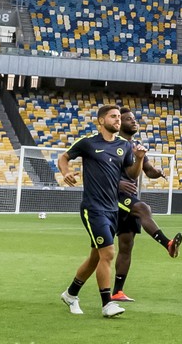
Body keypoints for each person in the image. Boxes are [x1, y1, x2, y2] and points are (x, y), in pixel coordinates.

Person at [56, 104, 134, 318]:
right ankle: (107, 304)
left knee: (95, 258)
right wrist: (66, 172)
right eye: (113, 116)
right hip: (93, 209)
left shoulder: (124, 146)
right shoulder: (88, 143)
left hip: (112, 209)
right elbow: (63, 158)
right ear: (101, 121)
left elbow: (131, 174)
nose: (118, 120)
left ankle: (71, 294)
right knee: (108, 253)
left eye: (119, 116)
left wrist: (141, 158)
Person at [111, 110, 182, 303]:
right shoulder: (114, 145)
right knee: (143, 209)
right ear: (119, 124)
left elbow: (148, 171)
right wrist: (118, 183)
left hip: (129, 196)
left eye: (134, 119)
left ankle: (117, 291)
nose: (133, 122)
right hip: (114, 196)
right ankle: (168, 243)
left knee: (126, 245)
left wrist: (157, 172)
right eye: (128, 119)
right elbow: (102, 171)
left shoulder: (136, 145)